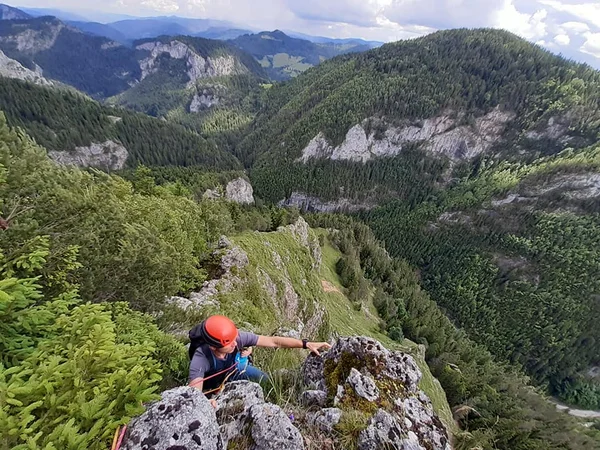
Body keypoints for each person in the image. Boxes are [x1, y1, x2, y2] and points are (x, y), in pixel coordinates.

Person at [188, 315, 331, 395]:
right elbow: (194, 394)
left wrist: (306, 344)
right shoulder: (201, 358)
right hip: (211, 387)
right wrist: (205, 401)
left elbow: (273, 341)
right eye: (228, 343)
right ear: (213, 346)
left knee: (266, 381)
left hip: (235, 371)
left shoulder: (237, 338)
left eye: (234, 339)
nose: (235, 344)